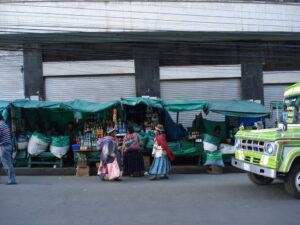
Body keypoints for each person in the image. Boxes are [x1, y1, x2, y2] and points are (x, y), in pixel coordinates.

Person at [0, 114, 17, 185]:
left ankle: (12, 179)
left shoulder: (0, 125)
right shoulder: (3, 123)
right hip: (4, 146)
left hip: (4, 147)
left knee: (7, 164)